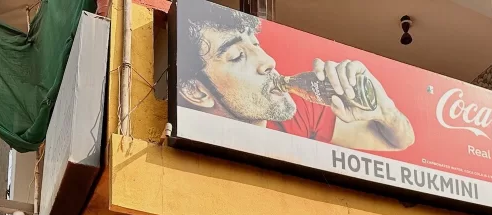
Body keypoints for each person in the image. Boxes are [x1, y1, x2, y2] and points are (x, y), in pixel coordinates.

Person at [177, 2, 415, 151]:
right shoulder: (191, 148)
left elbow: (398, 141)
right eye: (237, 55)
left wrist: (386, 111)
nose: (268, 62)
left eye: (256, 43)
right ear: (196, 91)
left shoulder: (299, 110)